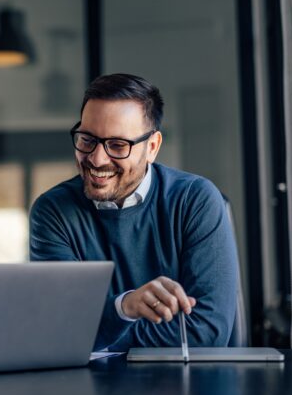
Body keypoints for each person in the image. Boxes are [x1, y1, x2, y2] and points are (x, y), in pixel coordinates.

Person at [29, 73, 239, 351]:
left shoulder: (196, 200)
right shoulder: (52, 211)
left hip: (184, 386)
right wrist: (124, 308)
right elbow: (63, 330)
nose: (96, 158)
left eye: (117, 145)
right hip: (87, 388)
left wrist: (102, 332)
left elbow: (207, 332)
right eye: (87, 139)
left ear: (152, 147)